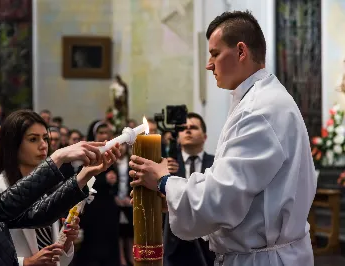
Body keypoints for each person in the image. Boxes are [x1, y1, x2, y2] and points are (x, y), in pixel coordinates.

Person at [129, 11, 316, 266]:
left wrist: (162, 181)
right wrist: (172, 198)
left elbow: (220, 199)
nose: (209, 64)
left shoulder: (258, 110)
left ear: (241, 52)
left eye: (215, 53)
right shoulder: (259, 100)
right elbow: (233, 190)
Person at [0, 113, 121, 265]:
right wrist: (56, 159)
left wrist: (84, 175)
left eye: (45, 138)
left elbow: (36, 215)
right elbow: (3, 205)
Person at [0, 110, 99, 266]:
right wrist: (26, 262)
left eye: (45, 138)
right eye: (33, 139)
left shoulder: (45, 190)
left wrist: (65, 243)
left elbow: (59, 261)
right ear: (13, 144)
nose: (43, 145)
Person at [163, 112, 215, 266]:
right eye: (184, 128)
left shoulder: (216, 163)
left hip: (208, 242)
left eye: (193, 127)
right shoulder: (166, 165)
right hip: (174, 244)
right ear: (177, 137)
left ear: (204, 136)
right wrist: (164, 176)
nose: (188, 130)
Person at [72, 122, 120, 266]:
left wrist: (113, 182)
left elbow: (116, 185)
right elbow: (83, 180)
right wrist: (104, 180)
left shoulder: (111, 156)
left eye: (107, 133)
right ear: (94, 135)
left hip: (109, 208)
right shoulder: (88, 157)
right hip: (93, 209)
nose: (104, 136)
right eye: (101, 133)